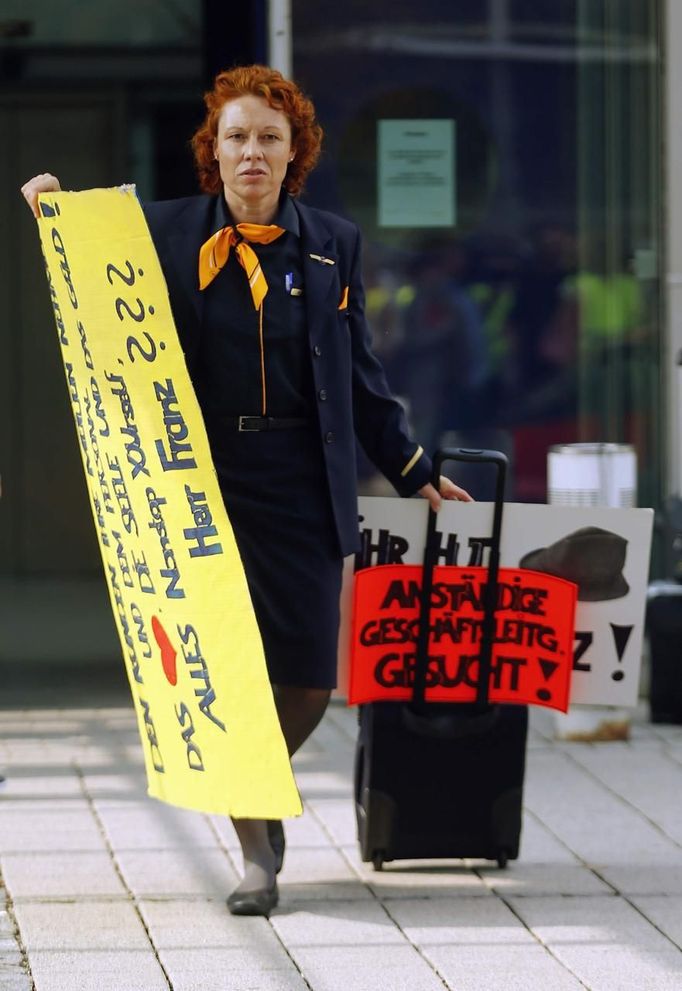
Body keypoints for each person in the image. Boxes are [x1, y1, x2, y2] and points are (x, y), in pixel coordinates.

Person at [21, 64, 472, 917]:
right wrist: (50, 206)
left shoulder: (334, 242)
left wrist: (412, 467)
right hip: (201, 481)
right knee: (225, 672)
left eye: (269, 136)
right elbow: (85, 249)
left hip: (302, 479)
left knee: (306, 677)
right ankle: (257, 849)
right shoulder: (163, 233)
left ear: (294, 150)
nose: (252, 152)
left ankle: (255, 789)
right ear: (213, 151)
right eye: (236, 137)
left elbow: (362, 376)